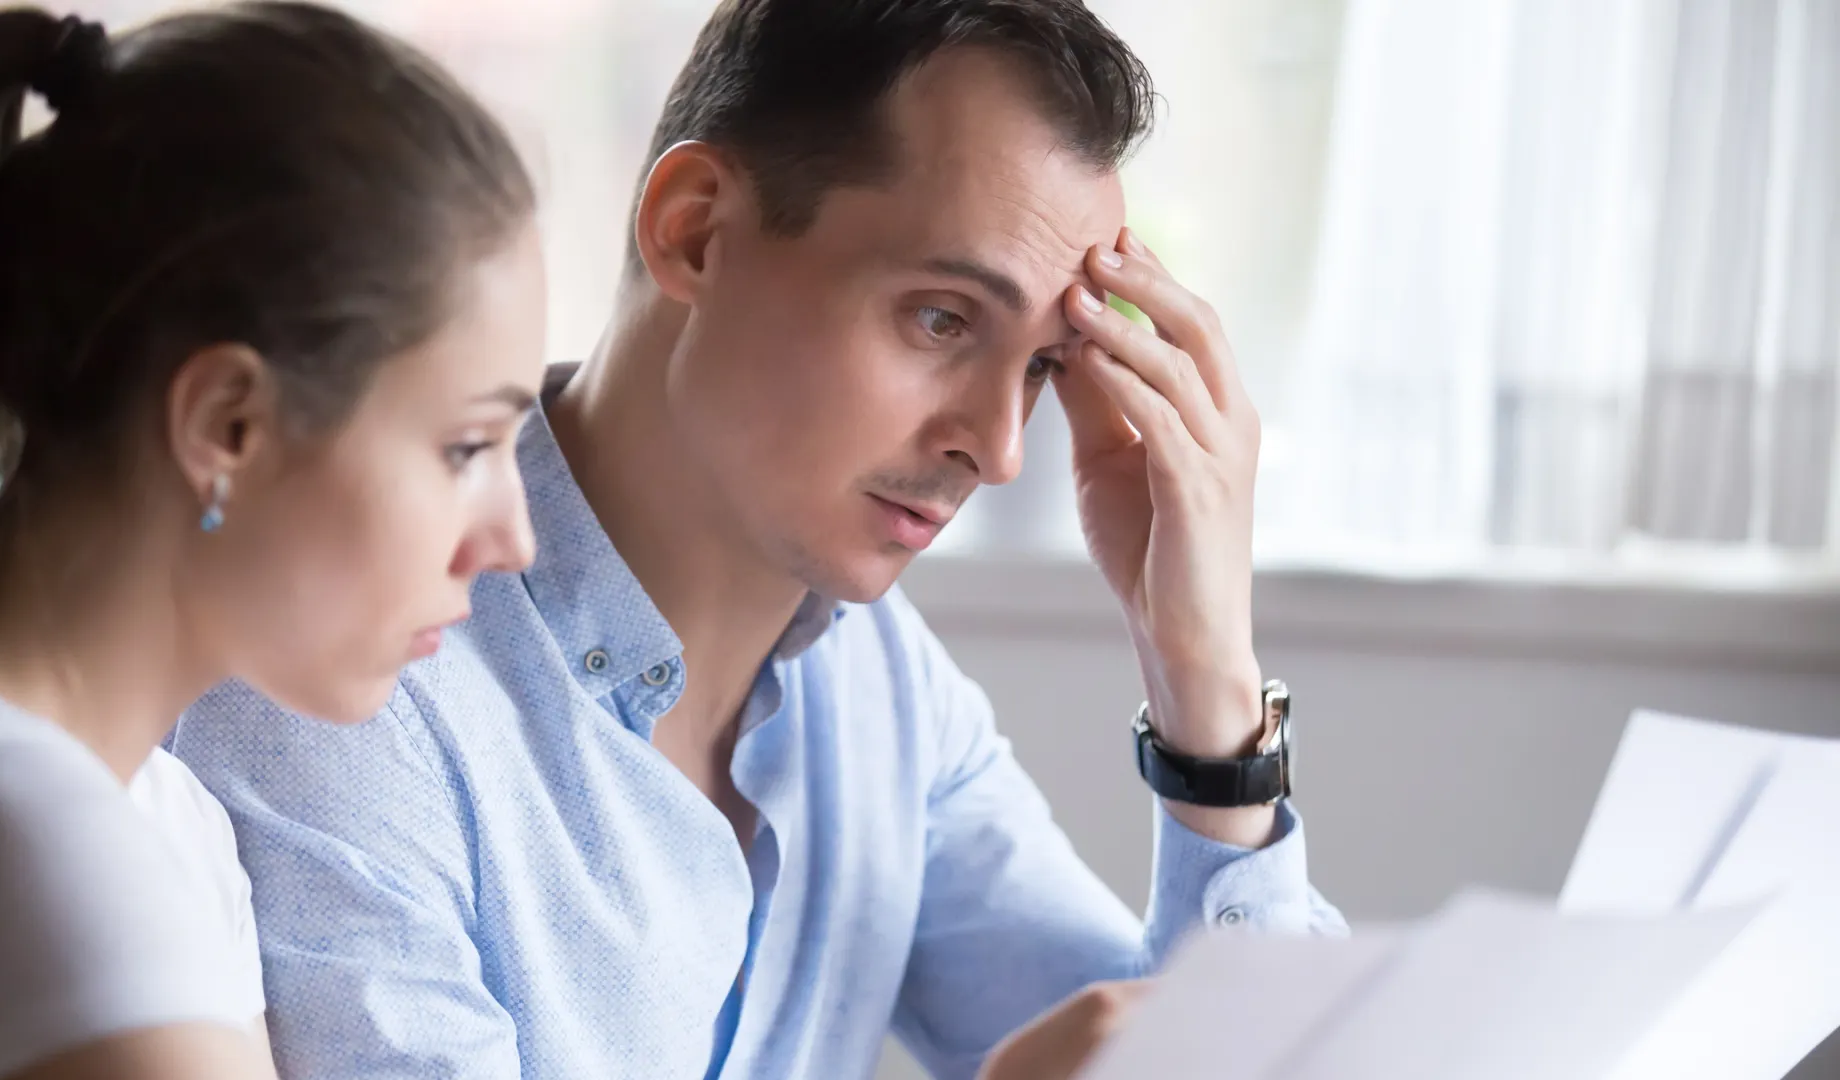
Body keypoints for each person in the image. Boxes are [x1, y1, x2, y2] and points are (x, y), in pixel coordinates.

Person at [174, 1, 1348, 1078]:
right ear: (694, 233)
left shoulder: (881, 690)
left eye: (1042, 365)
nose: (998, 450)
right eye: (942, 319)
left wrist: (1206, 687)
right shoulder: (342, 685)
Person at [0, 4, 547, 1079]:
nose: (513, 540)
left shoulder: (168, 824)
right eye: (465, 447)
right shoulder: (16, 837)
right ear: (228, 426)